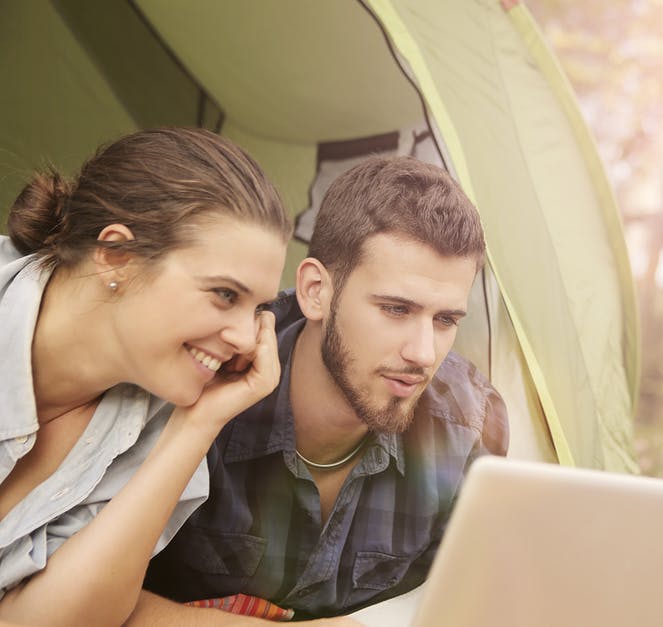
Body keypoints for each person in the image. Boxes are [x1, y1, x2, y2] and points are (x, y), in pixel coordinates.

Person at [135, 155, 509, 622]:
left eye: (446, 319)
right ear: (315, 291)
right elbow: (96, 602)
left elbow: (457, 608)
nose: (424, 353)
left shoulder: (468, 428)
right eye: (395, 309)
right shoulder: (203, 375)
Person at [0, 127, 291, 626]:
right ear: (116, 254)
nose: (248, 338)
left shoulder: (157, 424)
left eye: (259, 308)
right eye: (225, 294)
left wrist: (196, 427)